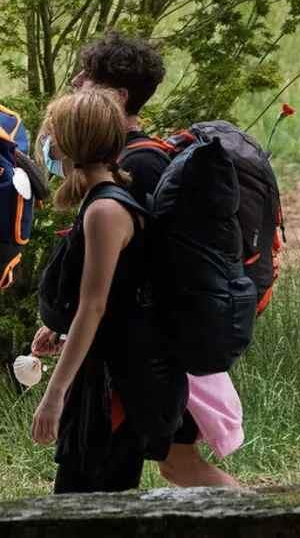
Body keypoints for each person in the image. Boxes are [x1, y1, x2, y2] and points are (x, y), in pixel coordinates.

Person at [62, 31, 243, 486]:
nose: (76, 83)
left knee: (117, 476)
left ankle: (280, 518)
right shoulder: (134, 162)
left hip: (141, 358)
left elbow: (130, 274)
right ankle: (276, 516)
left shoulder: (138, 168)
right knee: (175, 464)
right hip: (139, 354)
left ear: (119, 96)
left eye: (88, 79)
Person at [30, 89, 188, 493]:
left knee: (92, 500)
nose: (47, 144)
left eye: (51, 135)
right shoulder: (102, 201)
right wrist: (59, 330)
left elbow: (94, 307)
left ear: (66, 143)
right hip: (105, 378)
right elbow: (109, 296)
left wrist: (54, 394)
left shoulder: (104, 211)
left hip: (115, 387)